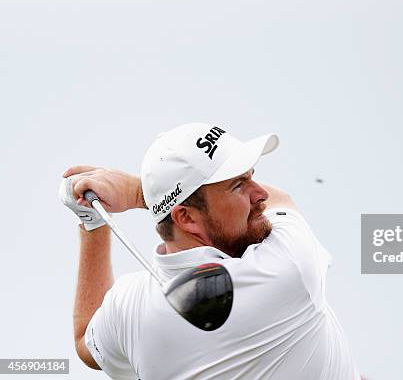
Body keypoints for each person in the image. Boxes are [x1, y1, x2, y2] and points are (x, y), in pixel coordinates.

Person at [60, 123, 362, 380]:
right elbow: (282, 201)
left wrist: (93, 222)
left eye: (251, 176)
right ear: (186, 218)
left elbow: (85, 340)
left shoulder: (129, 307)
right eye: (238, 185)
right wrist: (138, 193)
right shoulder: (285, 266)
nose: (260, 194)